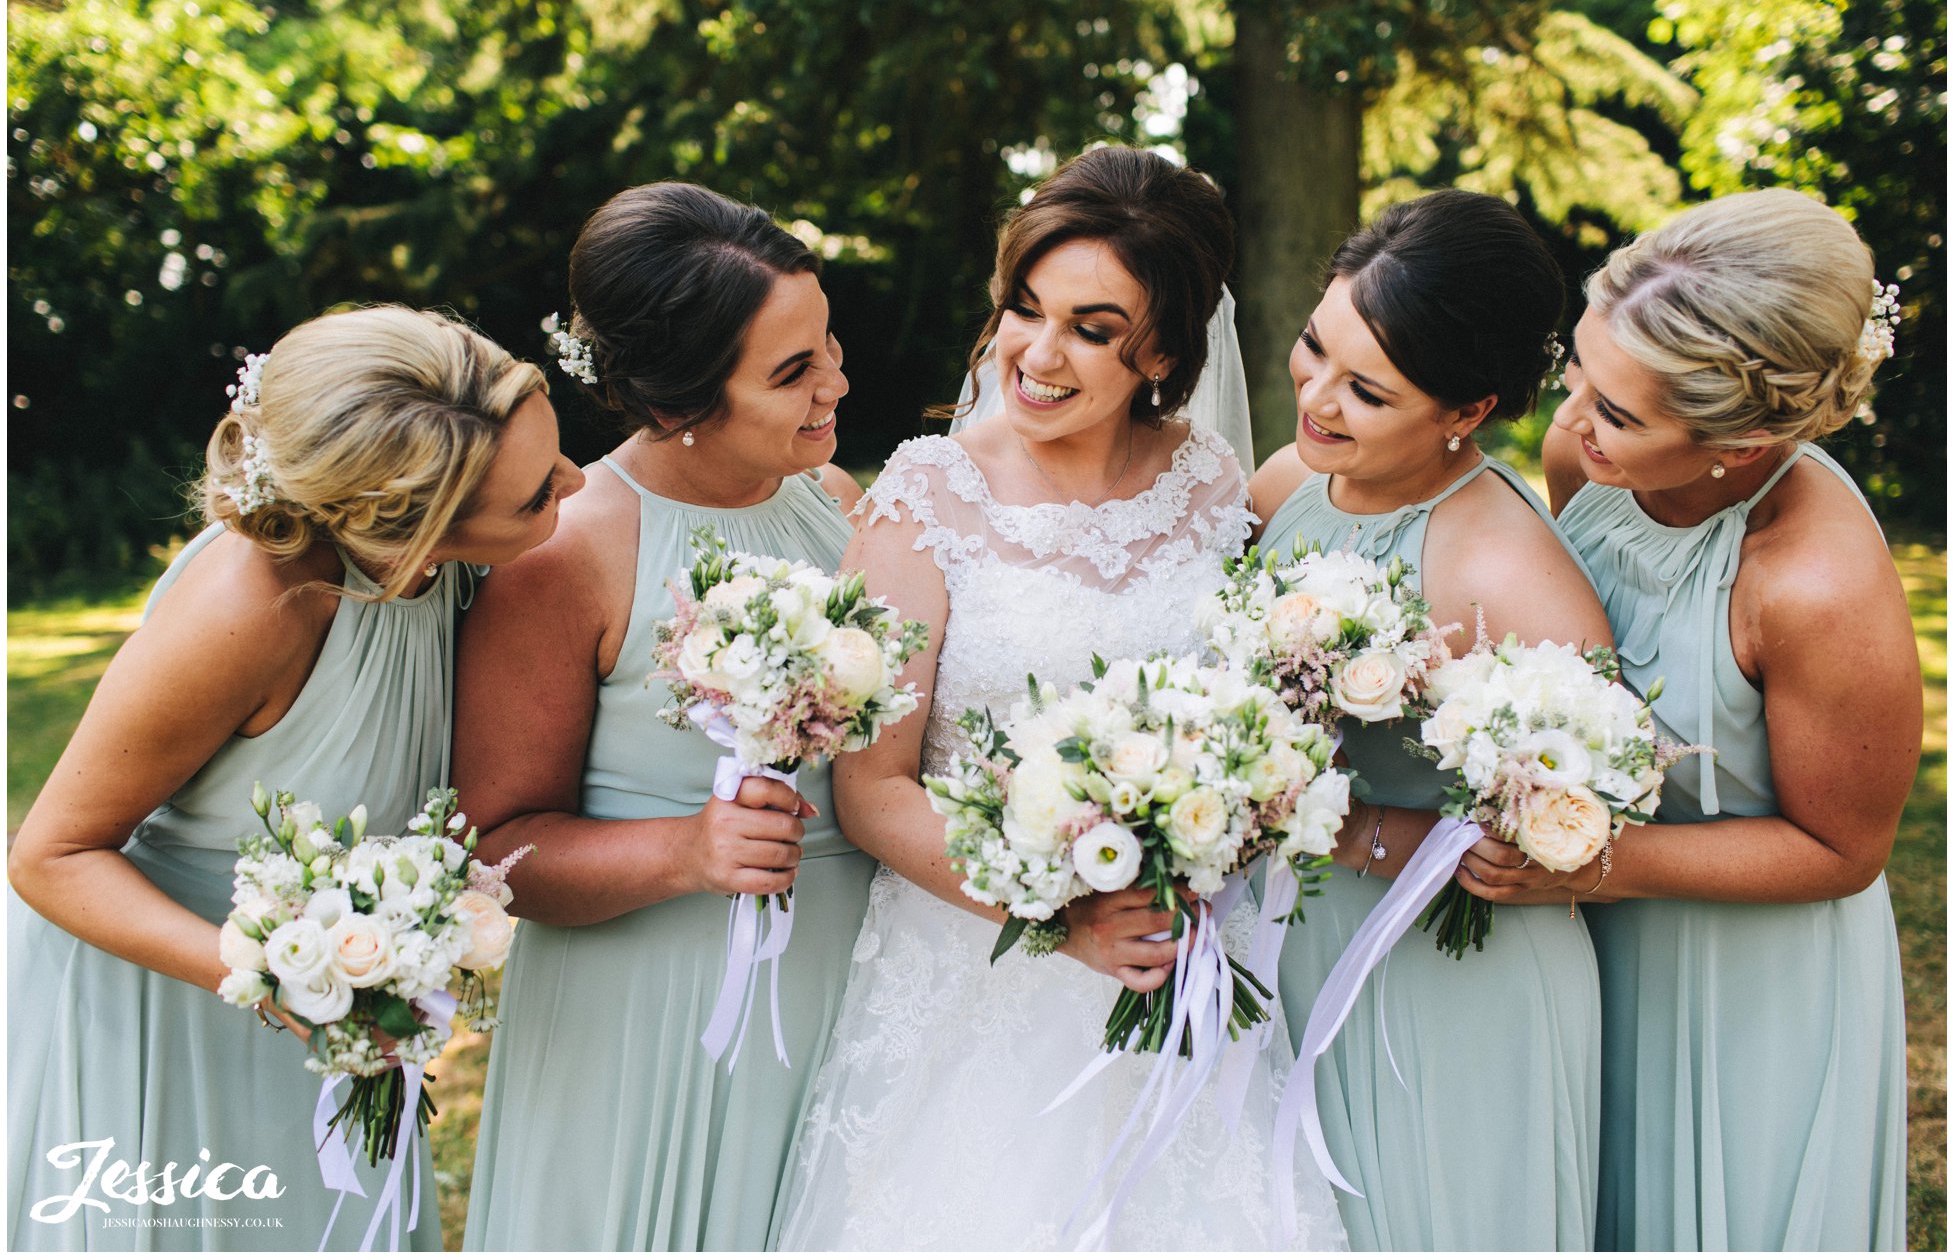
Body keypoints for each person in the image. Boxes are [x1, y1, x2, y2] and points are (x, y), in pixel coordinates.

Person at [776, 145, 1348, 1251]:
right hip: (978, 971)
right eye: (1024, 309)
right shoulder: (924, 498)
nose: (1035, 355)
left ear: (1166, 352)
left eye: (1092, 329)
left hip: (1175, 961)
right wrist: (1062, 916)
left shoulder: (1213, 483)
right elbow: (876, 789)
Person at [8, 305, 580, 1249]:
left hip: (342, 1002)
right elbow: (50, 855)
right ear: (412, 525)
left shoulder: (452, 576)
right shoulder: (255, 608)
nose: (576, 481)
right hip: (167, 1006)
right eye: (535, 498)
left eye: (556, 455)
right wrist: (280, 980)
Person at [1462, 187, 1915, 1250]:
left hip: (1745, 990)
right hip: (1582, 941)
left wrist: (1600, 866)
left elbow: (1843, 850)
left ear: (1745, 438)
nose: (1569, 420)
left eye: (1618, 412)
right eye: (1578, 367)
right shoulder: (1586, 463)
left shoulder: (1813, 588)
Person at [456, 181, 871, 1251]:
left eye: (826, 344)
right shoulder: (573, 549)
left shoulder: (834, 505)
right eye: (791, 372)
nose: (834, 383)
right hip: (646, 1016)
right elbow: (497, 847)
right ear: (679, 399)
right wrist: (687, 851)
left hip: (842, 992)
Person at [1248, 188, 1615, 1250]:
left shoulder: (1505, 569)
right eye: (1313, 347)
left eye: (1365, 388)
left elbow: (1570, 831)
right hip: (1296, 938)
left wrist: (1314, 817)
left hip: (1452, 982)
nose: (1316, 397)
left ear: (1465, 410)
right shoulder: (1290, 485)